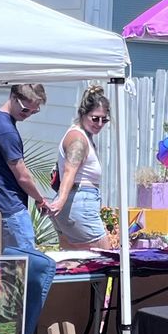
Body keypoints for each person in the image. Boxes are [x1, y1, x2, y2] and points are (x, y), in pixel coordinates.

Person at [0, 83, 58, 334]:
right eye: (26, 109)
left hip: (1, 208)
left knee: (10, 279)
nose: (28, 115)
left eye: (34, 112)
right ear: (13, 98)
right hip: (11, 209)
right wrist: (41, 199)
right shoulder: (5, 130)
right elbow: (22, 174)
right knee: (27, 280)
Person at [48, 86, 111, 248]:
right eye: (95, 118)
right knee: (106, 260)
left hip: (73, 205)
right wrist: (60, 202)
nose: (99, 123)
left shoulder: (80, 136)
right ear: (83, 114)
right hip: (79, 203)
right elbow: (70, 171)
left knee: (72, 265)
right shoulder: (78, 140)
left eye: (104, 119)